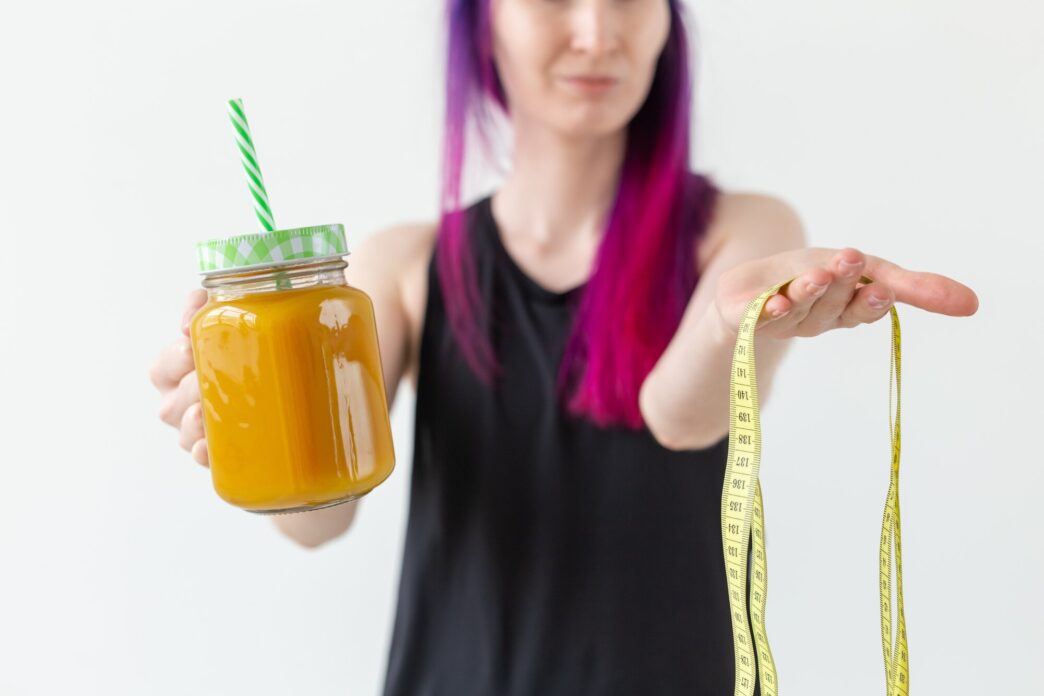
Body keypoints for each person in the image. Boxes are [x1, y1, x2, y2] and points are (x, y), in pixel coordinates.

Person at [149, 1, 979, 693]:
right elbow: (318, 525)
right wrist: (256, 427)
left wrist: (729, 322)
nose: (595, 31)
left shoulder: (744, 232)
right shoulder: (402, 266)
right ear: (483, 24)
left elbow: (680, 417)